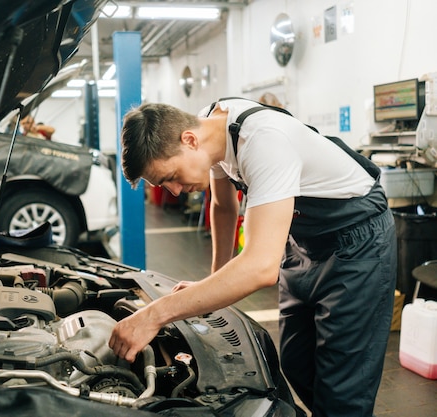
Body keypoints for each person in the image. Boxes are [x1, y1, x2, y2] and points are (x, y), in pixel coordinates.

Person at [109, 98, 397, 417]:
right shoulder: (210, 128)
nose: (174, 191)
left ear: (188, 140)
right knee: (296, 362)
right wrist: (214, 283)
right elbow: (222, 205)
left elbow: (260, 268)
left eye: (171, 176)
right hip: (303, 244)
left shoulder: (264, 142)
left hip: (358, 244)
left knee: (343, 387)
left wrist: (153, 315)